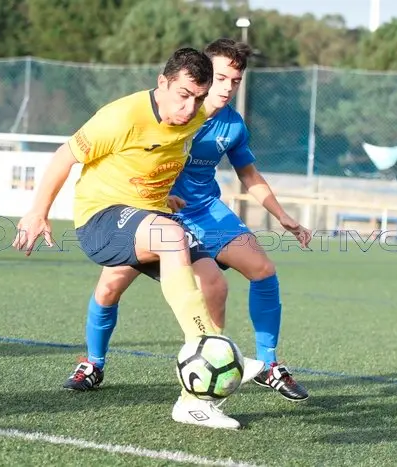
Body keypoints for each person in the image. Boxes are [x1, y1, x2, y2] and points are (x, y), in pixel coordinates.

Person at [13, 47, 262, 430]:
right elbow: (65, 156)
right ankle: (204, 343)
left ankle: (194, 402)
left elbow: (154, 162)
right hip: (100, 218)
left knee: (214, 283)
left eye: (197, 97)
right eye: (182, 95)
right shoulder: (122, 116)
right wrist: (37, 212)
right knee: (167, 238)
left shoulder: (196, 118)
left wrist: (164, 196)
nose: (188, 107)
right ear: (162, 83)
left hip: (150, 214)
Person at [71, 38, 313, 403]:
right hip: (154, 210)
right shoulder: (173, 112)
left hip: (206, 211)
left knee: (261, 269)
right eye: (220, 78)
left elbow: (249, 175)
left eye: (235, 80)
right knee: (109, 289)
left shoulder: (232, 125)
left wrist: (283, 217)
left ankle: (263, 365)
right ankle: (93, 362)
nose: (227, 87)